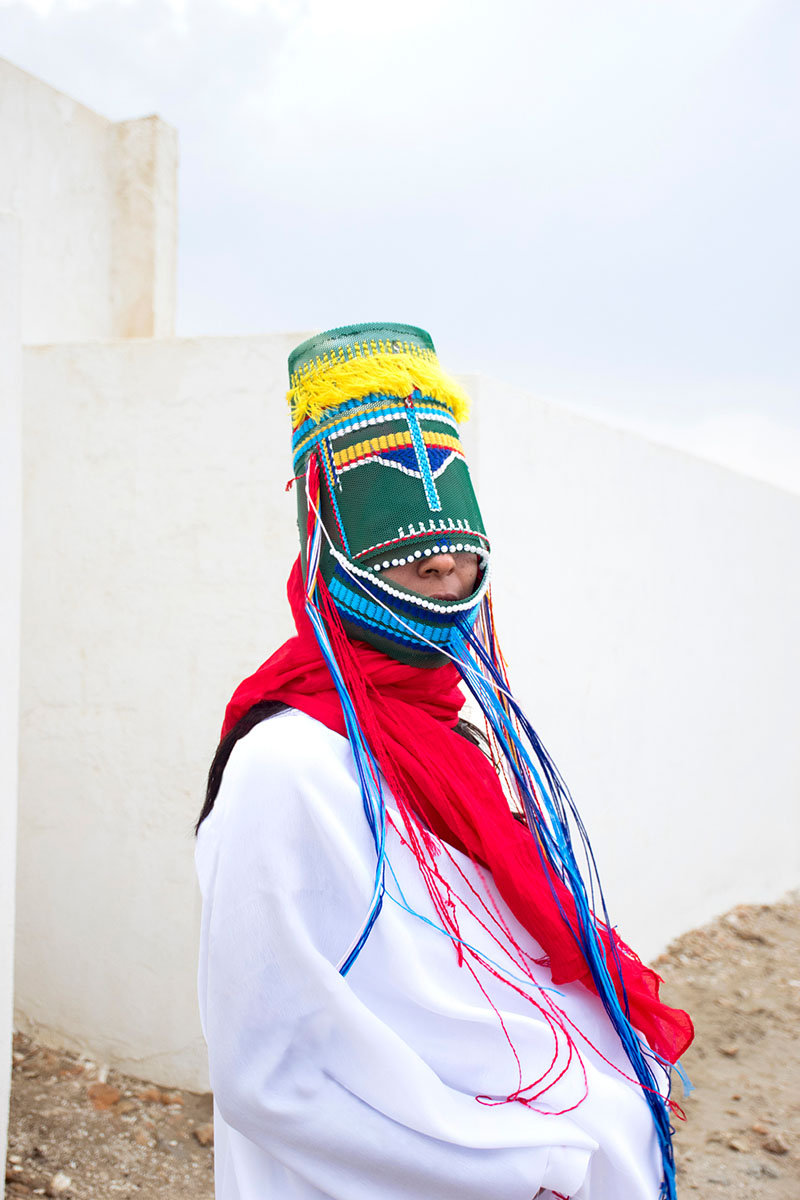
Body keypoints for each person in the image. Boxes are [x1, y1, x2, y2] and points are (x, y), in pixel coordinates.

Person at [195, 323, 693, 1200]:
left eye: (463, 559)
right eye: (417, 563)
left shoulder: (443, 737)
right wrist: (532, 1166)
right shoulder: (285, 765)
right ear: (331, 555)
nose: (448, 576)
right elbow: (271, 1073)